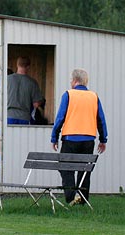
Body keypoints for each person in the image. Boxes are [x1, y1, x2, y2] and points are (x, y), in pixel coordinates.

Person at [51, 68, 108, 206]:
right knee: (84, 171)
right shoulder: (94, 96)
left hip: (70, 138)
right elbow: (101, 119)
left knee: (65, 168)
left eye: (71, 80)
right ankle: (82, 199)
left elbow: (60, 118)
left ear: (75, 81)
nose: (70, 82)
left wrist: (54, 137)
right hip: (88, 139)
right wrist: (103, 139)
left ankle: (71, 198)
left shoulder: (68, 95)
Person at [0, 56, 43, 183]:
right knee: (22, 146)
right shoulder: (32, 82)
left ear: (16, 65)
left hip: (8, 117)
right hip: (24, 118)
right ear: (28, 67)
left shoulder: (7, 80)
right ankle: (21, 175)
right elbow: (36, 104)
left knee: (0, 145)